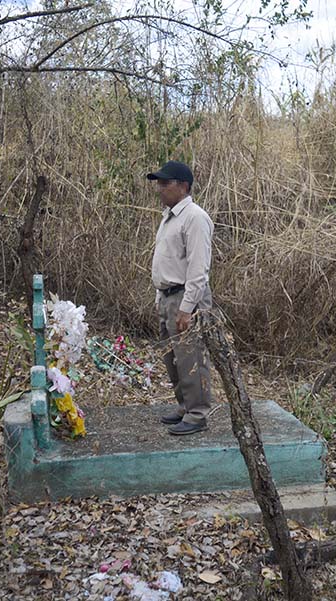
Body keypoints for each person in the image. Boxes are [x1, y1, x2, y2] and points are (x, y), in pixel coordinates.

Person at [147, 160, 214, 436]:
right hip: (168, 296)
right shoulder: (169, 216)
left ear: (183, 186)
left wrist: (187, 308)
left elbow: (199, 269)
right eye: (159, 183)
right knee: (172, 358)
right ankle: (185, 407)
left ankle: (197, 414)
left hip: (186, 297)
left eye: (166, 183)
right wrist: (159, 296)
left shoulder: (195, 217)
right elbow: (166, 260)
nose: (160, 188)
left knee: (191, 358)